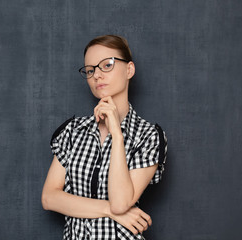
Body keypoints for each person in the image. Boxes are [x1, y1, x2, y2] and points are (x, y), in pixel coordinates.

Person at [42, 35, 167, 240]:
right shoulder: (72, 131)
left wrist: (117, 135)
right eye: (90, 70)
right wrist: (109, 211)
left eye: (107, 65)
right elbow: (49, 198)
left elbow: (121, 202)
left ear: (129, 70)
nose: (97, 75)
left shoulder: (149, 136)